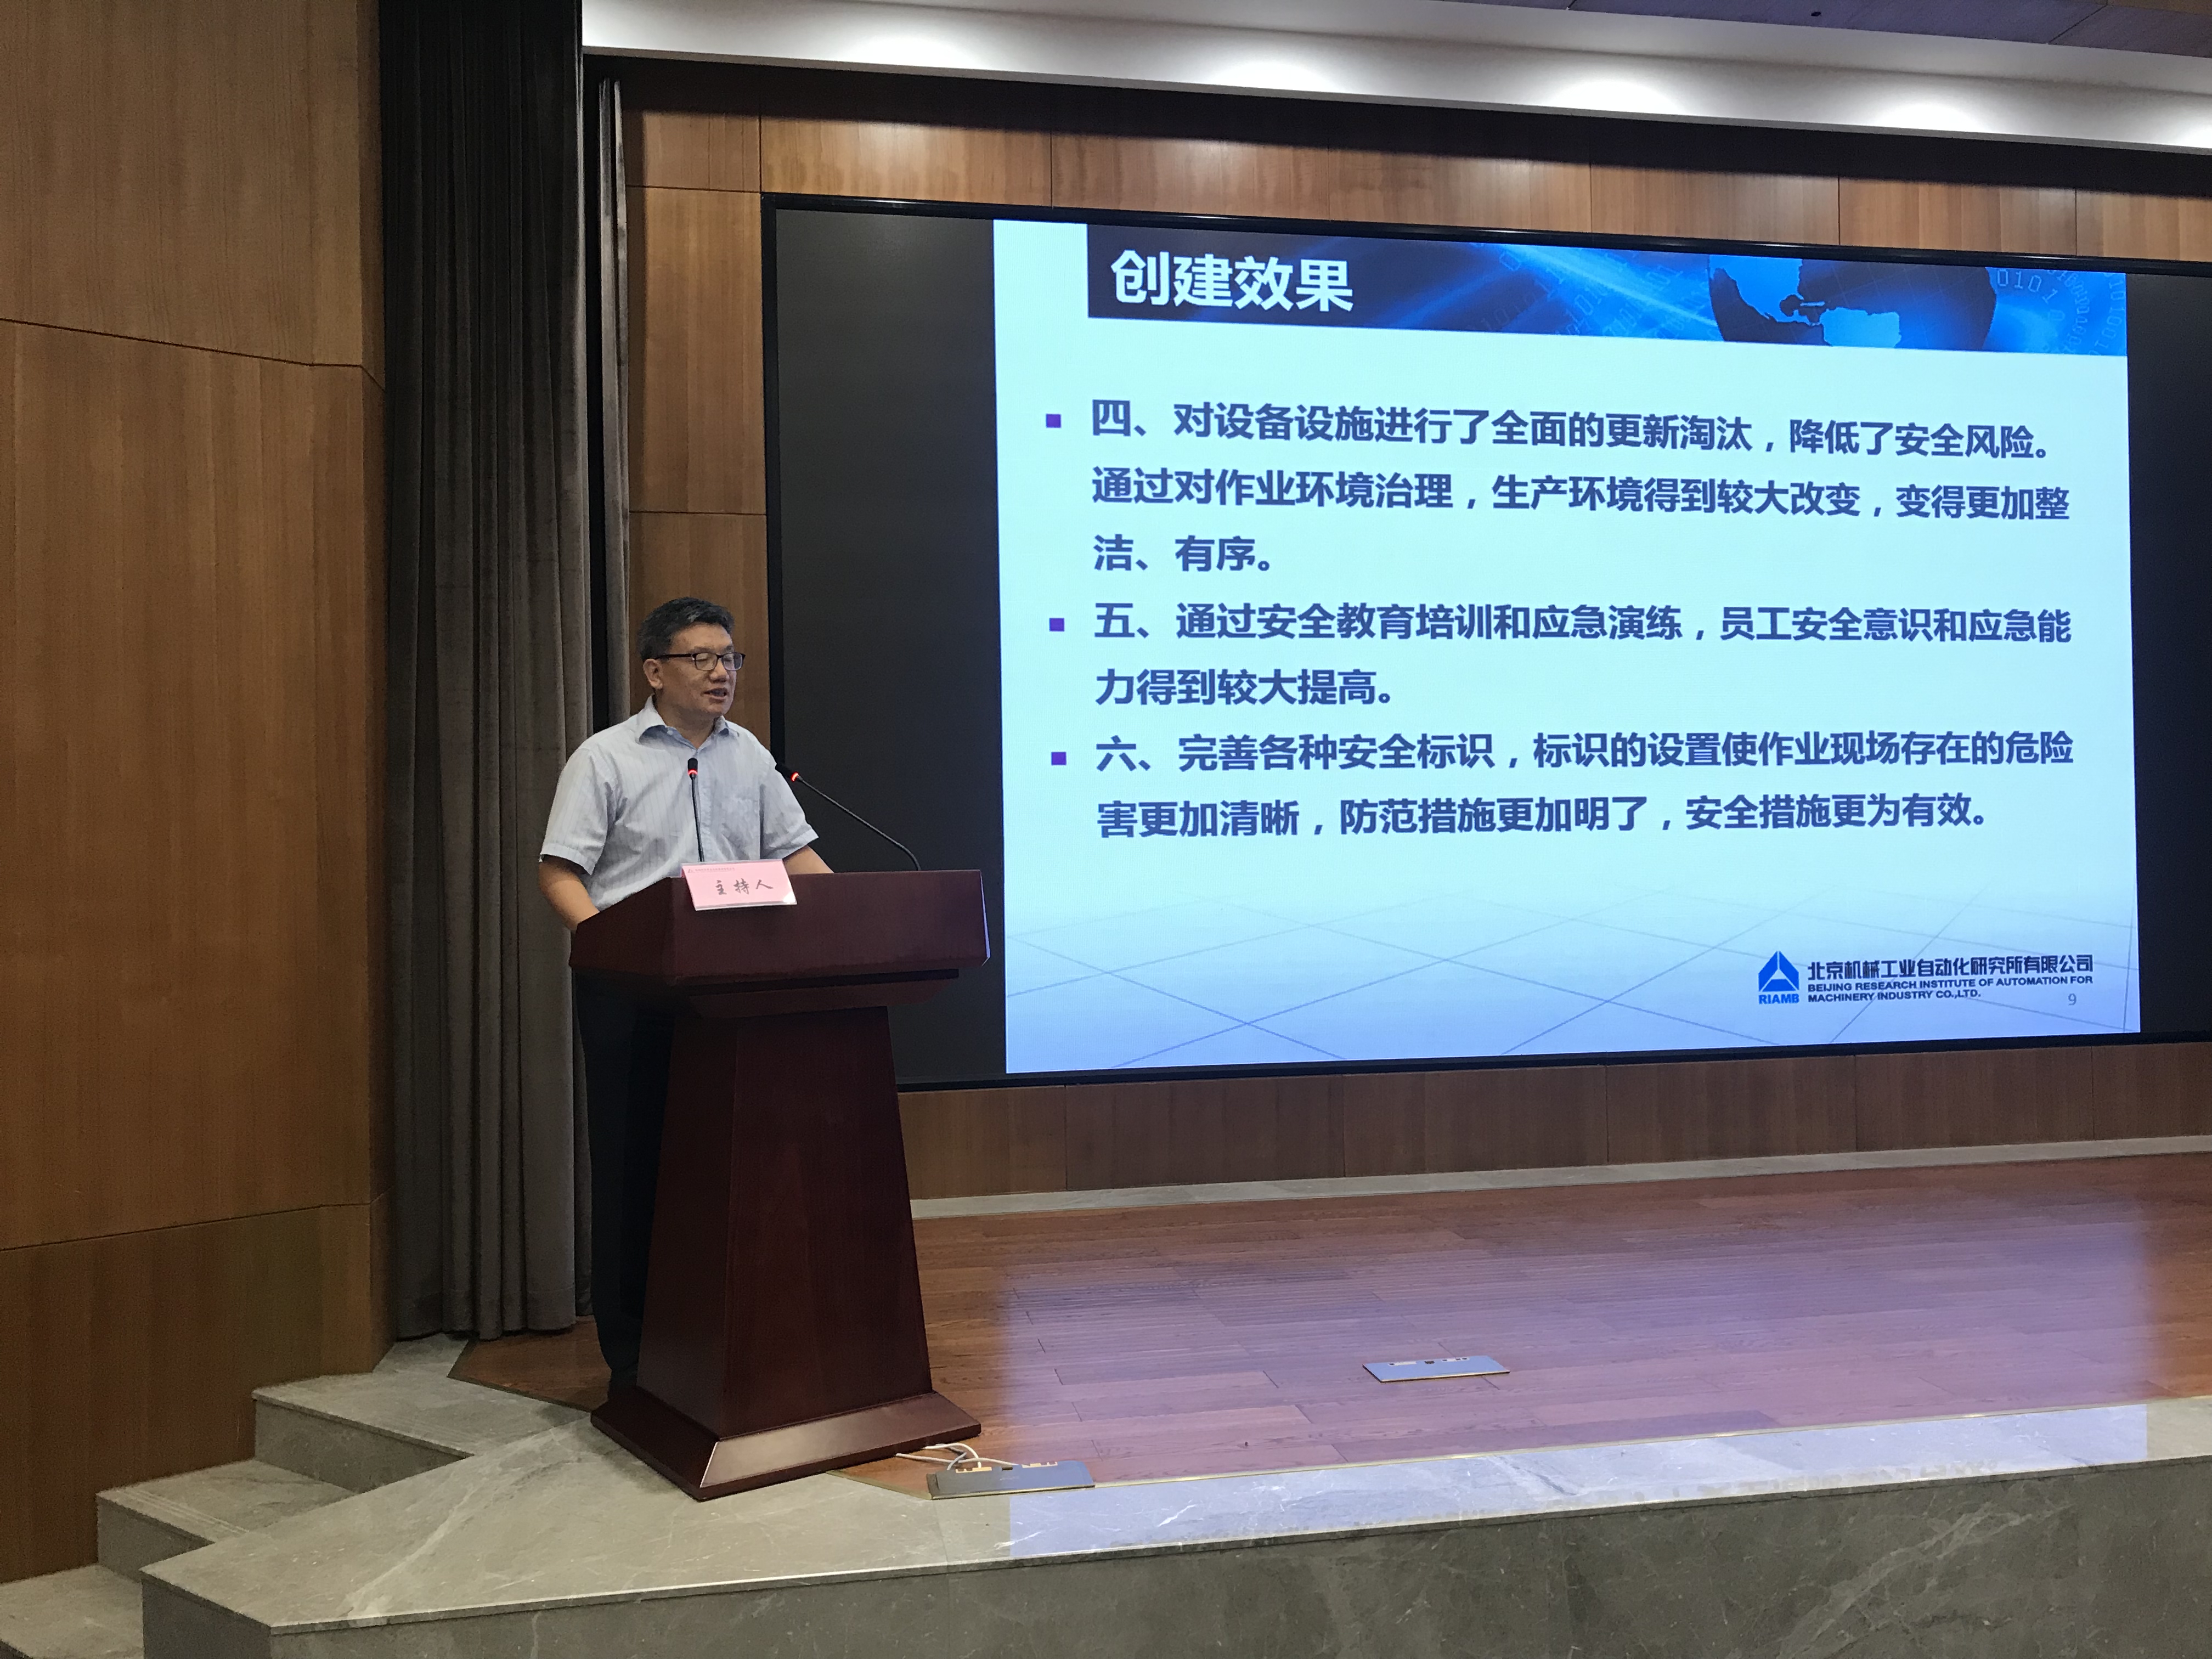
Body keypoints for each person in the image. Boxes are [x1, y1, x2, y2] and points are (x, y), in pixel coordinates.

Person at [538, 596, 831, 1392]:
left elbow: (795, 856)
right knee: (636, 1171)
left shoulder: (750, 756)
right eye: (701, 658)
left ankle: (729, 1339)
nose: (720, 672)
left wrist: (853, 918)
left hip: (737, 993)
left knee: (730, 1168)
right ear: (654, 671)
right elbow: (560, 871)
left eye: (729, 658)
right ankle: (635, 1360)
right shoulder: (605, 759)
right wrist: (609, 947)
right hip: (636, 993)